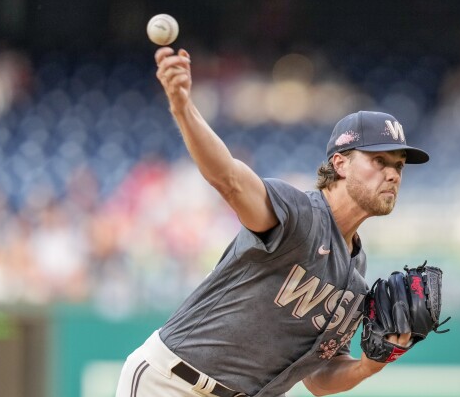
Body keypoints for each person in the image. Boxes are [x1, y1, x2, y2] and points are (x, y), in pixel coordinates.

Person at [115, 47, 430, 397]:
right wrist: (182, 106)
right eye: (379, 160)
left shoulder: (356, 271)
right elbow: (229, 178)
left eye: (399, 166)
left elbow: (318, 378)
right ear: (340, 164)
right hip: (173, 384)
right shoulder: (297, 214)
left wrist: (369, 365)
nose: (392, 174)